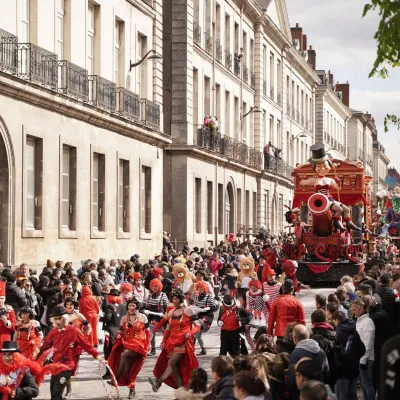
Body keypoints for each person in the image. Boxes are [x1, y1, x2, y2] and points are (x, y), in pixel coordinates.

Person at [37, 306, 106, 400]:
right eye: (56, 319)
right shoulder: (53, 331)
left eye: (60, 318)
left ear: (64, 318)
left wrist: (99, 358)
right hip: (55, 365)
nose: (58, 321)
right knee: (54, 394)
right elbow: (44, 347)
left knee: (57, 393)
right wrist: (34, 362)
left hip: (67, 366)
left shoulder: (74, 330)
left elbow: (87, 346)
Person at [149, 289, 200, 391]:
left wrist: (190, 333)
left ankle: (158, 382)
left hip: (183, 342)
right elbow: (167, 329)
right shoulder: (171, 312)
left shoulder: (188, 311)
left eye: (176, 298)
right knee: (175, 368)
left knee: (171, 362)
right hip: (171, 342)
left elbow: (197, 326)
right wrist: (163, 341)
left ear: (181, 299)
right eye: (173, 298)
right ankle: (182, 392)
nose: (174, 300)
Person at [107, 298, 150, 399]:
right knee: (128, 370)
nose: (131, 308)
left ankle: (116, 378)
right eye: (130, 305)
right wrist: (118, 335)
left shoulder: (143, 317)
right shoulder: (123, 318)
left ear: (137, 307)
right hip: (127, 344)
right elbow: (121, 331)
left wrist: (149, 345)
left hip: (139, 345)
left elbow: (148, 332)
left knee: (124, 354)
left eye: (133, 306)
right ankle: (132, 390)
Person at [287, 325, 329, 400]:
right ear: (309, 335)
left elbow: (291, 380)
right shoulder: (320, 351)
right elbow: (327, 373)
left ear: (295, 338)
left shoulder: (296, 354)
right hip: (319, 393)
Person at [331, 310, 365, 400]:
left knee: (343, 396)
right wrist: (355, 359)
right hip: (354, 369)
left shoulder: (336, 334)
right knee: (353, 394)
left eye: (333, 321)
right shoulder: (354, 331)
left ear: (337, 320)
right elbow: (362, 349)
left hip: (342, 372)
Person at [350, 299, 375, 400]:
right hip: (360, 359)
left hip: (366, 359)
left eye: (354, 309)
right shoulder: (360, 321)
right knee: (365, 386)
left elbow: (368, 343)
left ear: (360, 309)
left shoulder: (367, 322)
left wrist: (363, 360)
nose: (353, 312)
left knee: (367, 385)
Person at [143, 279, 168, 356]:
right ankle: (153, 349)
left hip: (161, 316)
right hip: (152, 316)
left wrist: (166, 315)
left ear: (159, 286)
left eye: (156, 286)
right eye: (153, 286)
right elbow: (146, 304)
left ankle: (167, 348)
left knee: (165, 333)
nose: (154, 287)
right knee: (151, 333)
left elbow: (166, 306)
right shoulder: (150, 295)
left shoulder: (163, 295)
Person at [192, 281, 217, 356]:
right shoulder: (196, 296)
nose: (200, 289)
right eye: (198, 288)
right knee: (197, 335)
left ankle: (190, 346)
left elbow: (213, 307)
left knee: (196, 324)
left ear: (204, 288)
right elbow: (195, 306)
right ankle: (202, 350)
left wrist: (204, 309)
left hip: (207, 316)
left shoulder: (209, 296)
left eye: (201, 288)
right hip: (199, 315)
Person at [0, 281, 16, 349]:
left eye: (1, 298)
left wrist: (6, 322)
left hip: (5, 337)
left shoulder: (9, 309)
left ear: (5, 299)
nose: (0, 300)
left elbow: (14, 326)